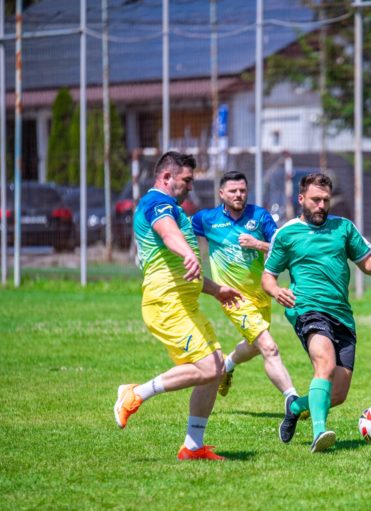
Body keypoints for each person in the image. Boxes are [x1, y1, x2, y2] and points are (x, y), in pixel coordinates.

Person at [262, 173, 371, 453]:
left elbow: (368, 264)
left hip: (341, 314)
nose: (321, 205)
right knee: (325, 364)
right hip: (307, 309)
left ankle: (296, 406)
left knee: (339, 394)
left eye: (325, 200)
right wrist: (275, 290)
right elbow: (268, 276)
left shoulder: (343, 228)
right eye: (315, 199)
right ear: (301, 199)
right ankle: (320, 433)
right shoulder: (286, 234)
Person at [113, 151, 242, 461]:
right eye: (186, 180)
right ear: (166, 177)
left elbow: (184, 269)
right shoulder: (156, 203)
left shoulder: (175, 208)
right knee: (209, 367)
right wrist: (187, 252)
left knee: (216, 368)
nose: (190, 186)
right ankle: (135, 393)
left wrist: (215, 290)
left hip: (184, 301)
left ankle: (193, 446)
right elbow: (168, 233)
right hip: (165, 302)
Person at [191, 171, 299, 408]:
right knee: (269, 347)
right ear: (221, 194)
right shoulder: (206, 219)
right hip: (233, 298)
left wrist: (258, 244)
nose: (238, 195)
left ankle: (226, 366)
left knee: (254, 347)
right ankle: (293, 400)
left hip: (262, 294)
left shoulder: (259, 216)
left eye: (242, 190)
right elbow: (180, 232)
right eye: (233, 191)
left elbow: (281, 248)